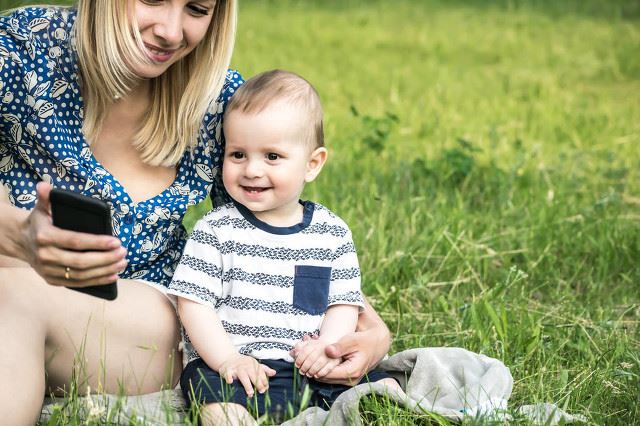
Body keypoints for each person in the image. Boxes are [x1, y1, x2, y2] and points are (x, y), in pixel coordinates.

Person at [0, 1, 391, 424]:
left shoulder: (216, 102)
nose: (171, 31)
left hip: (135, 319)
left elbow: (281, 238)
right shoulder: (22, 49)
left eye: (197, 9)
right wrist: (17, 233)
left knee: (16, 293)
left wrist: (372, 329)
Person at [168, 69, 401, 424]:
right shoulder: (216, 230)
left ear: (312, 164)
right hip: (240, 367)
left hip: (310, 366)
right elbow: (194, 304)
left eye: (272, 157)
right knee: (210, 391)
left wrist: (329, 347)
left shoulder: (331, 233)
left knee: (380, 388)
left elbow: (344, 304)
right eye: (238, 154)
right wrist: (227, 359)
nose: (252, 170)